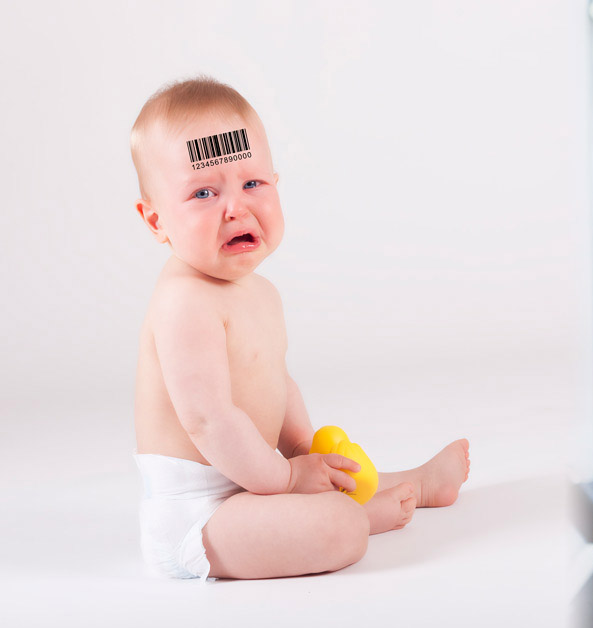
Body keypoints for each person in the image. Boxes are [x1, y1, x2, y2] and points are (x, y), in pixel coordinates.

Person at [129, 77, 471, 581]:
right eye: (203, 192)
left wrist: (307, 451)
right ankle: (358, 517)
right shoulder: (184, 302)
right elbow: (210, 420)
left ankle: (416, 485)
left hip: (252, 485)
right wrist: (289, 477)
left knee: (340, 477)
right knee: (338, 527)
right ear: (156, 221)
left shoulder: (259, 292)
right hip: (200, 518)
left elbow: (274, 383)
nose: (235, 207)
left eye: (252, 184)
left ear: (276, 183)